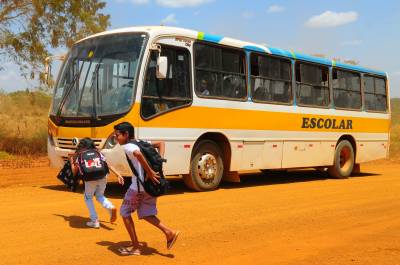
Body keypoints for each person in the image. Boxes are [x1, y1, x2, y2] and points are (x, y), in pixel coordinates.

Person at [113, 122, 180, 256]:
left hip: (138, 188)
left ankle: (136, 247)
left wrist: (149, 171)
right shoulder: (141, 141)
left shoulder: (128, 146)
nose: (116, 138)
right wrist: (158, 165)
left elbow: (137, 154)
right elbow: (161, 143)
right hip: (151, 186)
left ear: (126, 134)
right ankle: (169, 233)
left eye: (117, 135)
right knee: (146, 213)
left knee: (125, 213)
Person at [69, 137, 123, 228]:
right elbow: (108, 165)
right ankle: (110, 206)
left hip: (89, 179)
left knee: (88, 197)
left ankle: (95, 221)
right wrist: (118, 174)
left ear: (83, 146)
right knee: (100, 196)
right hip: (103, 177)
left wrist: (71, 162)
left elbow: (74, 171)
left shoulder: (80, 156)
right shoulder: (98, 153)